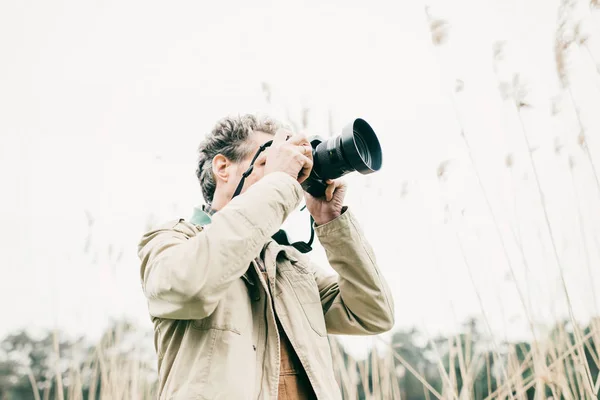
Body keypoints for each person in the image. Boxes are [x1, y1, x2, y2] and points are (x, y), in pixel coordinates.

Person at [137, 114, 395, 399]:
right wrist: (280, 181)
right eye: (267, 163)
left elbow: (373, 313)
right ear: (223, 168)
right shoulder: (173, 241)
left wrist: (331, 221)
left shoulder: (290, 266)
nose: (291, 176)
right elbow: (190, 288)